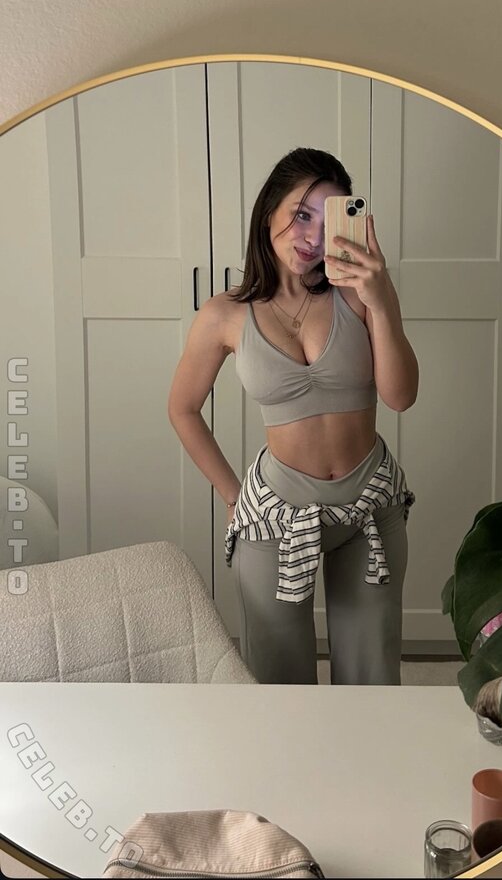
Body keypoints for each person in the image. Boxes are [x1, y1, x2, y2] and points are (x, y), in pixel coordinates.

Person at [168, 147, 419, 685]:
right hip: (276, 514)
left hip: (369, 506)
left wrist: (381, 300)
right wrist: (233, 496)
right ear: (269, 212)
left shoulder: (359, 295)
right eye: (302, 214)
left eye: (328, 221)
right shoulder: (224, 315)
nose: (312, 237)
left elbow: (400, 397)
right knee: (279, 687)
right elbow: (182, 409)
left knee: (372, 681)